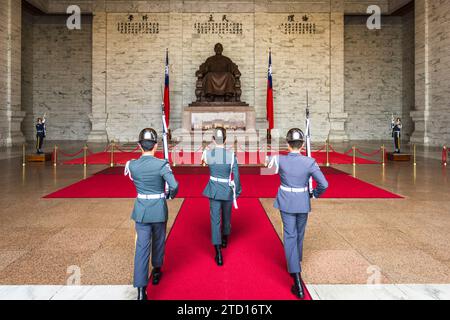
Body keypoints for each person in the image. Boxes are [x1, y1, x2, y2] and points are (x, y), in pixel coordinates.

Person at [267, 128, 328, 299]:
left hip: (286, 201)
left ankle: (296, 277)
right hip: (302, 201)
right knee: (299, 234)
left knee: (290, 235)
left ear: (287, 144)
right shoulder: (309, 162)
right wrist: (314, 194)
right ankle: (296, 262)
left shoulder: (280, 160)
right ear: (302, 145)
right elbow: (324, 184)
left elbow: (268, 165)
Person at [125, 128, 179, 300]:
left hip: (141, 210)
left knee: (141, 248)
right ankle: (156, 270)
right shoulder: (161, 165)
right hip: (158, 209)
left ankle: (141, 291)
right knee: (158, 241)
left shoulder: (132, 165)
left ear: (139, 146)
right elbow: (174, 185)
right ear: (156, 146)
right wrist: (170, 194)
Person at [202, 127, 241, 266]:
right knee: (227, 215)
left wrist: (207, 151)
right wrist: (237, 191)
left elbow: (205, 163)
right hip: (227, 189)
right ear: (225, 139)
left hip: (213, 189)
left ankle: (218, 252)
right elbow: (236, 175)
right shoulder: (231, 155)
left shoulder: (208, 153)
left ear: (213, 139)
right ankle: (225, 237)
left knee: (215, 219)